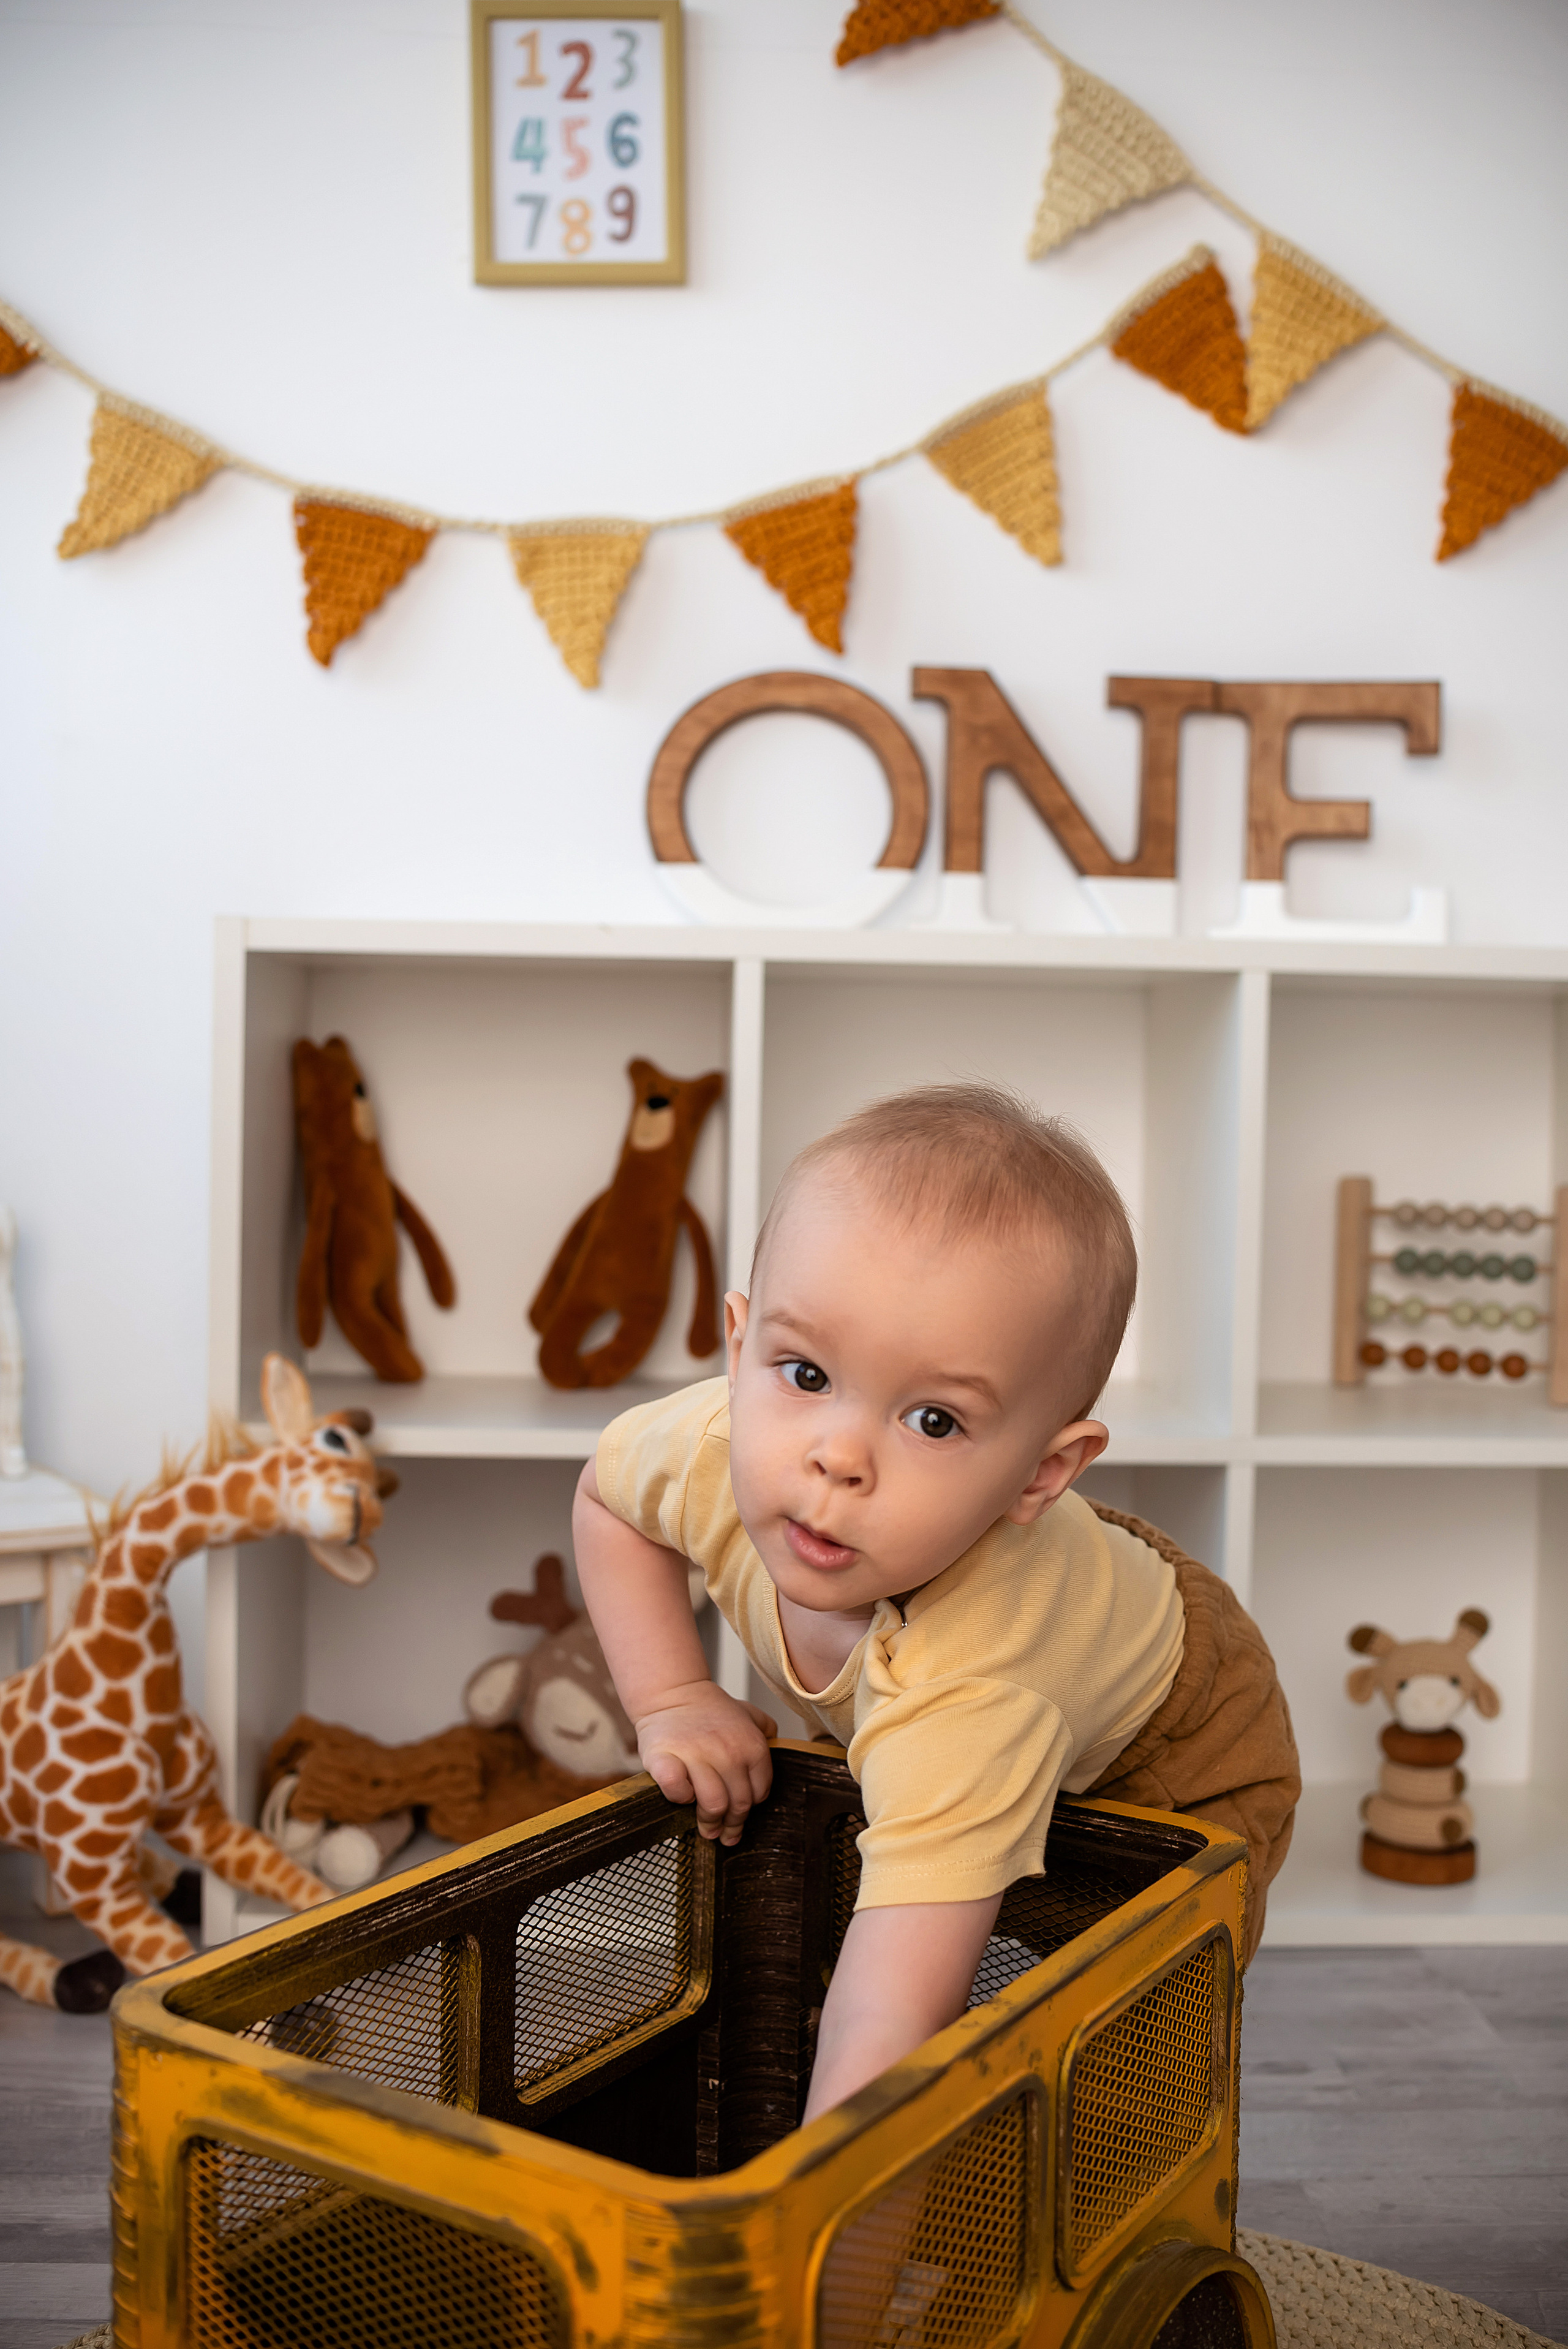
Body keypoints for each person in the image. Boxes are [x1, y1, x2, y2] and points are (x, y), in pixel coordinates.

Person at [573, 1084, 1298, 2120]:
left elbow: (887, 2025)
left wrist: (823, 2255)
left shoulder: (977, 1687)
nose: (838, 1457)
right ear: (736, 1350)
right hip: (1057, 1619)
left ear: (1043, 1473)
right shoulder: (709, 1447)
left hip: (1181, 1742)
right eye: (806, 1370)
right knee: (915, 1905)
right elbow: (608, 1502)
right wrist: (674, 1695)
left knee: (1128, 2042)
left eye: (934, 1419)